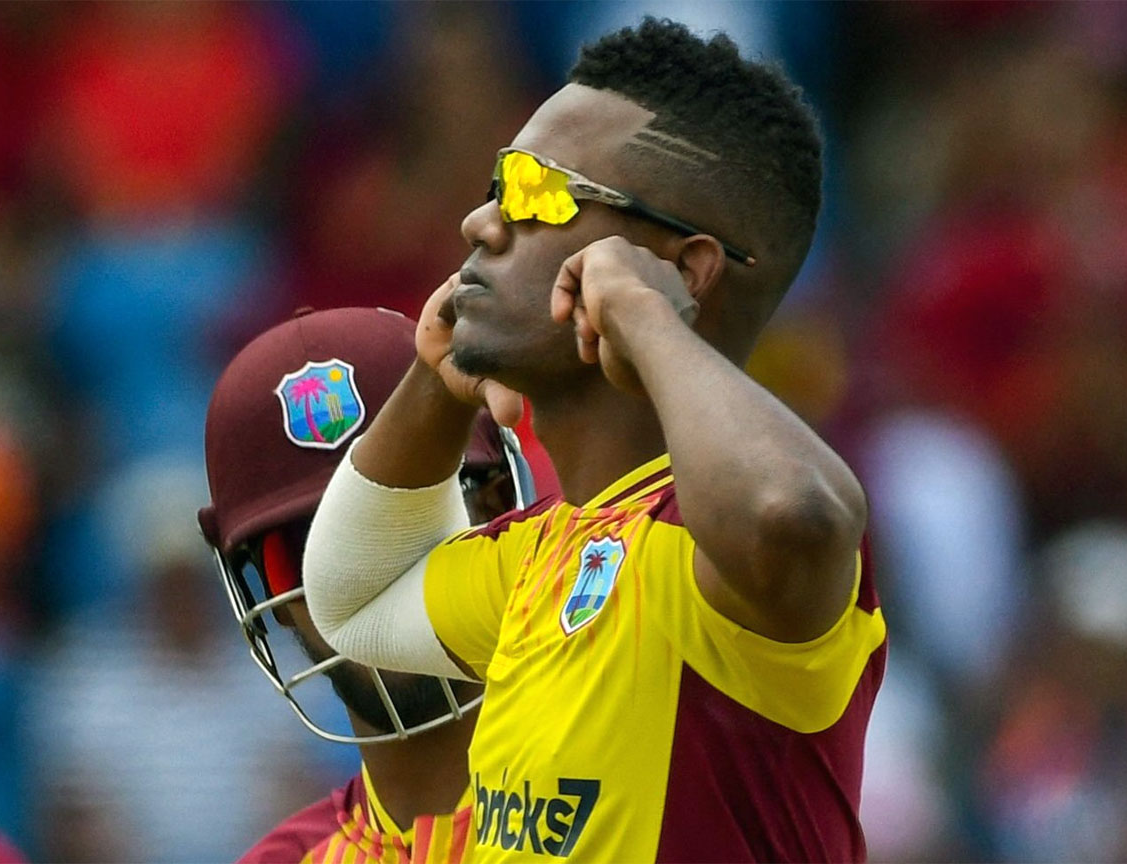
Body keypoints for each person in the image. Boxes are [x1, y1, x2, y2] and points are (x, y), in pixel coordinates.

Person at [303, 18, 886, 863]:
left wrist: (645, 317)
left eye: (537, 192)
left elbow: (791, 514)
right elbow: (353, 602)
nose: (480, 223)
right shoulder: (539, 556)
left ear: (682, 269)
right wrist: (434, 381)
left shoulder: (714, 563)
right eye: (499, 184)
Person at [199, 306, 532, 863]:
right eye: (310, 546)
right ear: (263, 592)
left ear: (497, 505)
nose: (375, 574)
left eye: (416, 518)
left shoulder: (656, 763)